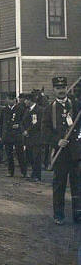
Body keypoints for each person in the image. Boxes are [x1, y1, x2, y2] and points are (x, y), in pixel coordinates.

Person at [42, 76, 81, 225]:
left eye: (63, 87)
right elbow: (44, 132)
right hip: (60, 155)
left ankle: (78, 214)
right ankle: (59, 215)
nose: (61, 90)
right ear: (54, 90)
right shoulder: (49, 109)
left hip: (76, 153)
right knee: (59, 186)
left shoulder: (75, 105)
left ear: (66, 88)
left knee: (77, 185)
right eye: (58, 88)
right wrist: (57, 141)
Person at [0, 93, 27, 178]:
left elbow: (24, 121)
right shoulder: (4, 110)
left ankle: (24, 172)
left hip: (17, 135)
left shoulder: (20, 109)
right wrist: (0, 135)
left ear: (15, 100)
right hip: (7, 135)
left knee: (20, 154)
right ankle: (10, 171)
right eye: (8, 99)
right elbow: (1, 123)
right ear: (7, 100)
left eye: (12, 99)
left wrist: (19, 125)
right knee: (9, 154)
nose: (10, 101)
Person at [22, 92, 43, 182]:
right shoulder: (27, 110)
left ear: (30, 100)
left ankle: (37, 176)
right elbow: (22, 122)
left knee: (36, 157)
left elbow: (37, 123)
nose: (24, 102)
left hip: (36, 137)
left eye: (26, 100)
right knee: (30, 156)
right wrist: (23, 130)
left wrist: (28, 130)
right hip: (28, 138)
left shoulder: (38, 110)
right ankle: (33, 174)